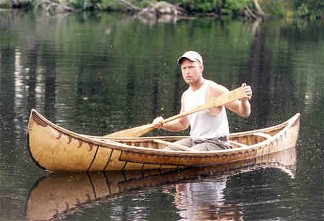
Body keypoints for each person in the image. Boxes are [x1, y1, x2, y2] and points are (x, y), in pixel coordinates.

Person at [152, 51, 252, 151]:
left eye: (191, 67)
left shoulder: (213, 89)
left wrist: (244, 100)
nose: (187, 72)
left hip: (217, 143)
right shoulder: (186, 95)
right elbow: (182, 124)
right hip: (194, 141)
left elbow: (244, 112)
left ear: (201, 68)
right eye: (184, 68)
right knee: (166, 151)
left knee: (190, 155)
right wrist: (163, 125)